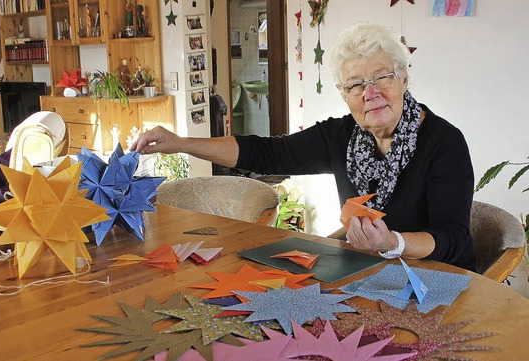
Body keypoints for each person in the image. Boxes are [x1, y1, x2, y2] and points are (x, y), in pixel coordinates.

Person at [130, 22, 476, 270]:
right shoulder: (341, 137)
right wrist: (180, 143)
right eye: (356, 84)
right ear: (344, 95)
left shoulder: (444, 143)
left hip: (439, 278)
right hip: (369, 271)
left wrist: (392, 243)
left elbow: (452, 240)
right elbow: (265, 153)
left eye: (381, 77)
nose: (371, 94)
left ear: (403, 78)